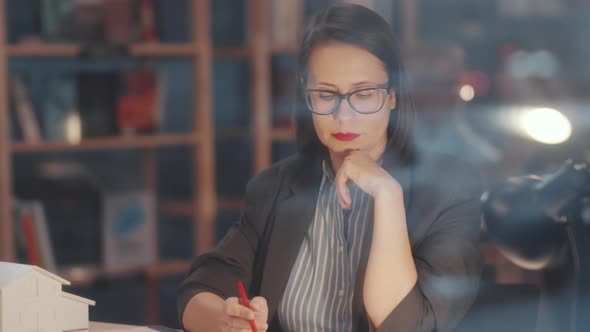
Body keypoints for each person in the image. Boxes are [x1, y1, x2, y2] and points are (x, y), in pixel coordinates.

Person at [178, 4, 483, 332]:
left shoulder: (451, 189)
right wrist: (225, 320)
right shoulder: (275, 187)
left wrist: (387, 194)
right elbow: (200, 287)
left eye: (364, 94)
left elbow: (409, 326)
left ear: (393, 95)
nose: (344, 115)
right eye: (325, 95)